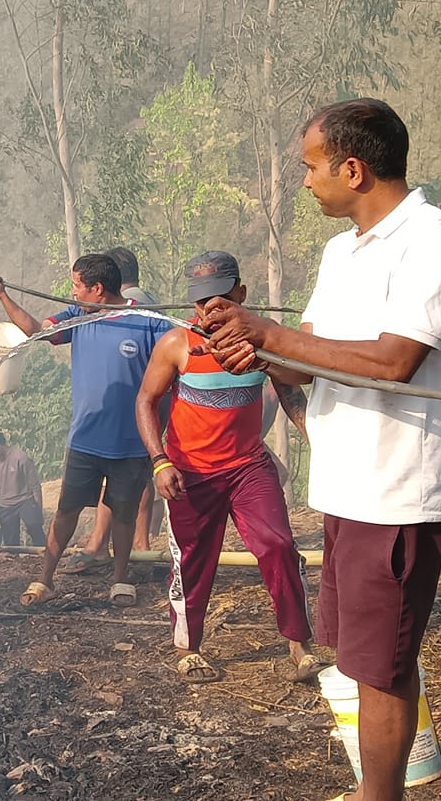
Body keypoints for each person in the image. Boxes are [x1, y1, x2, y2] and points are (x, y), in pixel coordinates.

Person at [202, 98, 441, 801]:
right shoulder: (342, 252)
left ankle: (380, 796)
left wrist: (269, 334)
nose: (305, 181)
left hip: (402, 486)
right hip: (351, 483)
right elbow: (309, 359)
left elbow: (393, 363)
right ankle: (375, 791)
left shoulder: (433, 243)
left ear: (353, 169)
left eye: (311, 167)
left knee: (382, 665)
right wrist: (254, 353)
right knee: (368, 658)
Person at [134, 251, 321, 685]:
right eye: (201, 303)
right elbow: (145, 401)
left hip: (248, 467)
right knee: (193, 562)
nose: (210, 311)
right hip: (190, 473)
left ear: (240, 293)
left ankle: (299, 645)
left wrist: (316, 438)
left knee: (277, 545)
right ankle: (189, 649)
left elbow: (291, 392)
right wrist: (159, 461)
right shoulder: (176, 345)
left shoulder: (264, 339)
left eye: (220, 299)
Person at [0, 255, 171, 608]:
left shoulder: (148, 321)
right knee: (67, 511)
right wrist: (1, 294)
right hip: (86, 440)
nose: (72, 292)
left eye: (77, 285)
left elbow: (180, 350)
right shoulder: (77, 316)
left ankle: (120, 579)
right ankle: (45, 578)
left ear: (98, 289)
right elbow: (36, 330)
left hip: (131, 443)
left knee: (124, 514)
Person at [72, 245, 166, 571]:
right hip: (148, 400)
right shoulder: (145, 300)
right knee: (135, 472)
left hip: (137, 403)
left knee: (124, 471)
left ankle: (110, 545)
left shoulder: (133, 305)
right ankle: (135, 545)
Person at [0, 431, 45, 548]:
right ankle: (13, 561)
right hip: (6, 504)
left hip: (25, 500)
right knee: (10, 541)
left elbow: (35, 486)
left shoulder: (20, 458)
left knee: (35, 527)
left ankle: (45, 555)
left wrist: (38, 510)